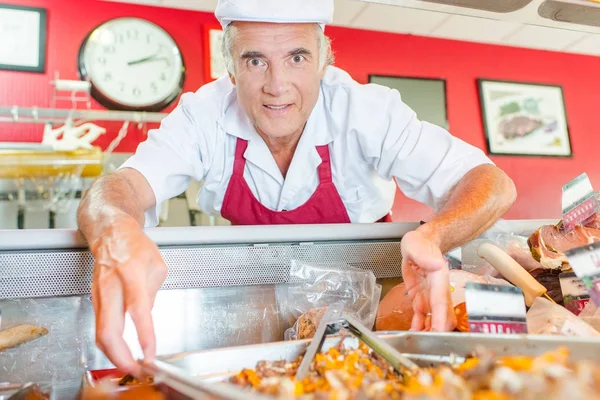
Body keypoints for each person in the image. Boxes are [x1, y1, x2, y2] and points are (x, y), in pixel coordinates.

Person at [77, 0, 517, 376]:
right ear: (230, 67)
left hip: (371, 300)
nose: (277, 85)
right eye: (255, 60)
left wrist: (433, 235)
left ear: (325, 60)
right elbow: (121, 187)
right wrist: (116, 227)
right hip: (252, 300)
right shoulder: (202, 116)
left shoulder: (366, 111)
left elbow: (491, 183)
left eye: (297, 57)